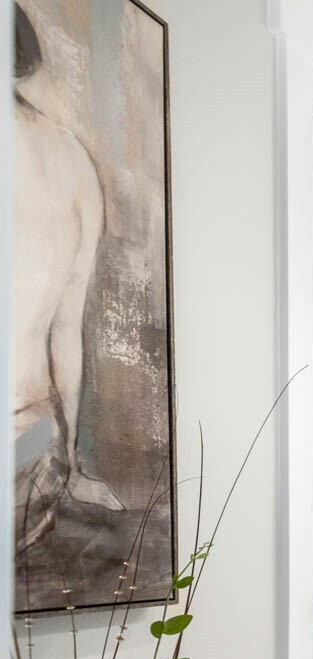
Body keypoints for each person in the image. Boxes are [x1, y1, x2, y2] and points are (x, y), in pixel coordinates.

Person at [12, 0, 125, 551]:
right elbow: (66, 332)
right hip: (37, 450)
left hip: (30, 456)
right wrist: (71, 461)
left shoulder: (65, 159)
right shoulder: (72, 159)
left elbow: (65, 332)